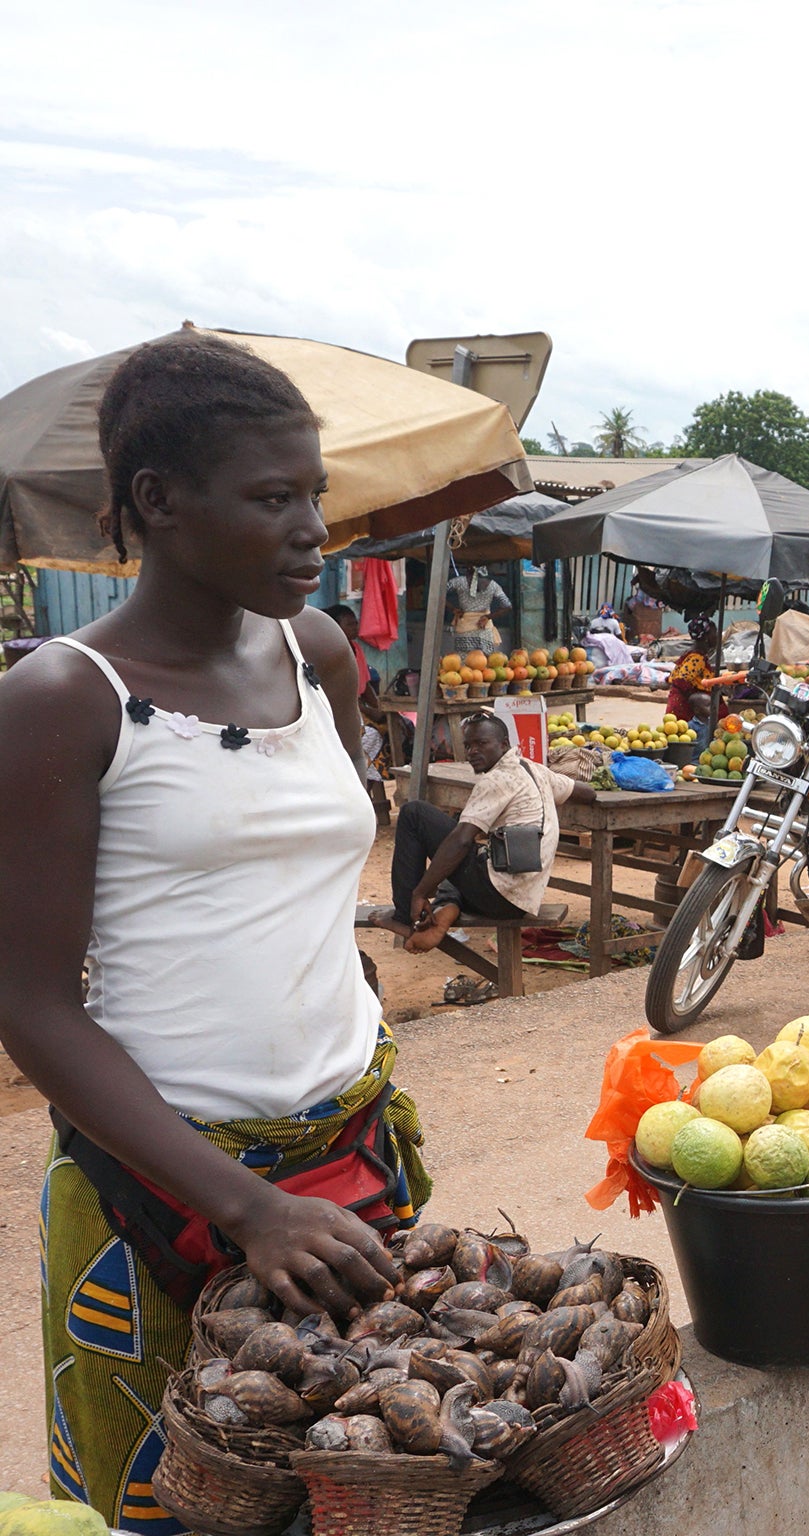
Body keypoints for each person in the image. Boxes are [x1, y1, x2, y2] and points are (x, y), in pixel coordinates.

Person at [0, 333, 428, 1528]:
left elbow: (304, 886)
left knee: (370, 1485)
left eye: (317, 496)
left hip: (346, 1165)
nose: (313, 531)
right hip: (162, 1188)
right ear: (158, 502)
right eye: (272, 498)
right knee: (187, 1505)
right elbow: (29, 1002)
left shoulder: (319, 652)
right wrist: (244, 1208)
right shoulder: (63, 699)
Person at [371, 712, 596, 954]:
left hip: (497, 896)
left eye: (482, 743)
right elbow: (587, 792)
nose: (472, 752)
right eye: (468, 746)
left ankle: (405, 917)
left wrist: (419, 893)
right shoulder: (534, 770)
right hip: (521, 900)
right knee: (463, 849)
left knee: (415, 814)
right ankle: (446, 908)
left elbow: (461, 840)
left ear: (504, 744)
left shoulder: (497, 780)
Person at [323, 600, 393, 824]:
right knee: (369, 738)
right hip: (337, 713)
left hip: (358, 711)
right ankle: (353, 795)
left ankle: (362, 794)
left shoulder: (356, 649)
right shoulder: (329, 651)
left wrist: (378, 708)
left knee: (391, 732)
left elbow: (366, 686)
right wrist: (365, 710)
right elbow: (338, 695)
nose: (355, 628)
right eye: (350, 624)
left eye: (355, 624)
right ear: (335, 626)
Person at [447, 564, 512, 655]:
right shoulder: (493, 585)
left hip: (464, 629)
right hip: (484, 629)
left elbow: (438, 592)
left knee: (464, 663)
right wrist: (488, 617)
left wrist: (453, 609)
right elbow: (507, 606)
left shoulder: (458, 581)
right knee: (484, 663)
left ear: (469, 569)